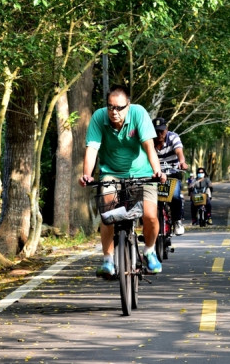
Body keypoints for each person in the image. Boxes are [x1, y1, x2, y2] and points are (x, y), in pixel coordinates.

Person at [80, 85, 166, 277]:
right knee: (108, 213)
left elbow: (149, 146)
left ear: (128, 105)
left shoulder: (139, 113)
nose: (114, 112)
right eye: (110, 107)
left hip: (142, 173)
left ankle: (150, 251)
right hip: (111, 172)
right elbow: (92, 149)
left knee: (150, 215)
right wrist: (87, 174)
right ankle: (108, 260)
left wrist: (157, 171)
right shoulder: (99, 118)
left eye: (119, 107)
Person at [152, 117, 189, 236]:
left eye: (161, 131)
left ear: (166, 130)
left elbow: (179, 152)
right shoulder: (149, 140)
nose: (159, 134)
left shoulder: (173, 137)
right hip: (153, 174)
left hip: (172, 172)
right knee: (148, 199)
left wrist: (182, 162)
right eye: (156, 131)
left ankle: (177, 220)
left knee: (176, 196)